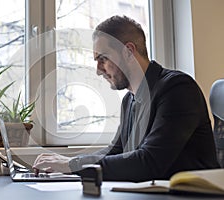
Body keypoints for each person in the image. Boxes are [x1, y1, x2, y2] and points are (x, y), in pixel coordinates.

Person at [33, 15, 220, 182]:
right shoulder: (129, 100)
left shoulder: (177, 89)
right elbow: (116, 151)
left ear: (129, 51)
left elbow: (149, 162)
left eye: (103, 59)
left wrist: (73, 165)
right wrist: (65, 167)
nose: (98, 70)